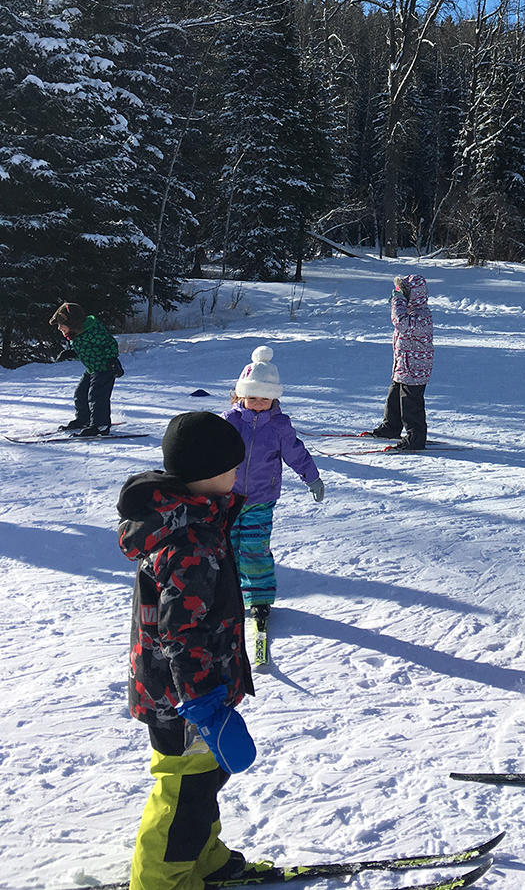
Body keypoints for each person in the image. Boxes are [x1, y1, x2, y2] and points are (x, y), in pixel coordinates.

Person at [118, 411, 257, 890]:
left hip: (195, 691)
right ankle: (161, 881)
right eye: (231, 466)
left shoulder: (197, 519)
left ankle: (201, 856)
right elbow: (181, 633)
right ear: (207, 473)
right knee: (182, 791)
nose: (237, 474)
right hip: (182, 700)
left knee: (204, 781)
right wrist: (202, 702)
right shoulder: (190, 541)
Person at [223, 345, 324, 632]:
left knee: (255, 548)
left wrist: (312, 477)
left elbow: (296, 453)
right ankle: (226, 594)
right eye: (252, 397)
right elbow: (209, 453)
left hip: (260, 499)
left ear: (274, 399)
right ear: (241, 395)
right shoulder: (228, 422)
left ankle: (258, 599)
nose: (257, 403)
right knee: (226, 548)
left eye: (264, 399)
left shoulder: (279, 426)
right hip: (227, 498)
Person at [368, 274, 434, 451]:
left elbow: (400, 323)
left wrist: (397, 301)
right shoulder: (412, 313)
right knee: (394, 397)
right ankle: (391, 427)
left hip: (415, 369)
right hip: (403, 366)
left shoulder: (422, 316)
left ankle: (416, 438)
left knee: (411, 404)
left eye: (403, 293)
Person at [49, 300, 122, 437]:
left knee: (96, 396)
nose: (59, 328)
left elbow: (110, 343)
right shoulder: (75, 333)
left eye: (61, 324)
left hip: (104, 368)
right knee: (80, 394)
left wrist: (112, 360)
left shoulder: (92, 331)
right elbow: (88, 351)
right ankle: (84, 419)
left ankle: (100, 425)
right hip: (92, 369)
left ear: (72, 323)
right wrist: (72, 353)